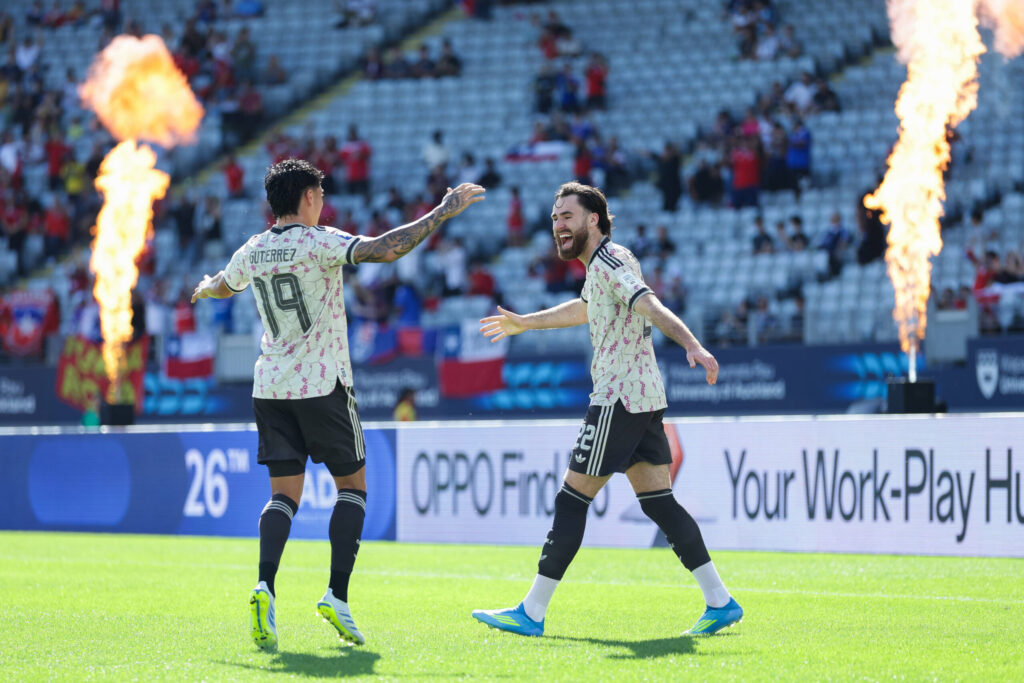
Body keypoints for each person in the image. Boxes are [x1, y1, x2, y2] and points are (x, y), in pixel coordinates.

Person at [190, 159, 484, 651]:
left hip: (270, 387)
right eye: (320, 195)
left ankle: (265, 585)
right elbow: (383, 251)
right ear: (307, 197)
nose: (323, 203)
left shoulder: (253, 248)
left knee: (283, 495)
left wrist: (206, 287)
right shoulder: (318, 240)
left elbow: (224, 282)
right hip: (322, 384)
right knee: (353, 487)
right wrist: (441, 213)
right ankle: (337, 595)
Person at [471, 182, 741, 638]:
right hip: (644, 398)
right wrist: (525, 322)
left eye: (567, 216)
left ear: (593, 219)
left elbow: (649, 303)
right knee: (659, 503)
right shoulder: (605, 265)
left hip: (618, 399)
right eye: (555, 218)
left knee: (571, 499)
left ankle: (532, 612)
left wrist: (693, 344)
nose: (558, 226)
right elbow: (584, 309)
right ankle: (720, 601)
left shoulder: (611, 262)